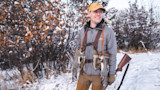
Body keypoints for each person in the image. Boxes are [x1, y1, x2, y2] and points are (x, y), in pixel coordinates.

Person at [75, 2, 117, 90]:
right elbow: (78, 50)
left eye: (101, 12)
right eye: (95, 11)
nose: (98, 14)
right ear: (89, 14)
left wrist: (112, 73)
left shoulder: (108, 32)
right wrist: (76, 67)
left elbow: (112, 54)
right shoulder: (83, 30)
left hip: (100, 75)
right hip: (84, 74)